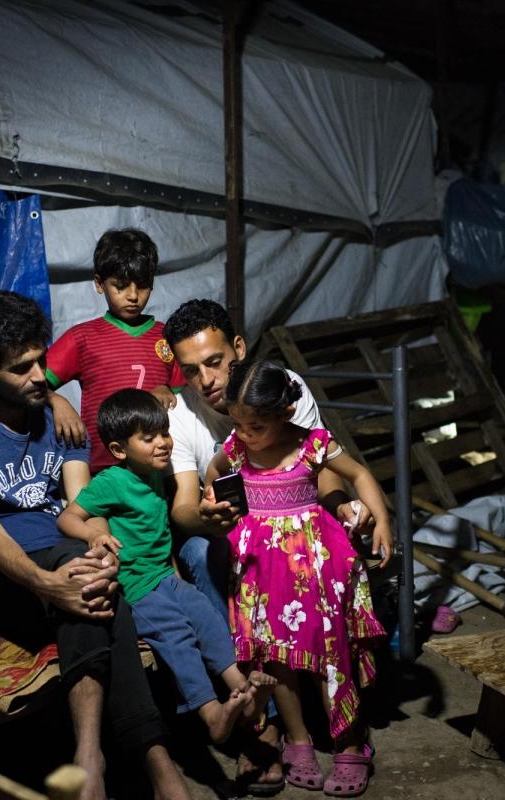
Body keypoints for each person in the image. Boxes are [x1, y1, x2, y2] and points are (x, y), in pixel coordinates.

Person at [0, 291, 189, 800]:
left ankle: (93, 757)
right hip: (0, 576)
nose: (39, 376)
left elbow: (76, 508)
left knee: (91, 574)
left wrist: (99, 540)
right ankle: (147, 760)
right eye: (20, 368)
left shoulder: (58, 421)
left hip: (65, 562)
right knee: (85, 581)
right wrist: (48, 585)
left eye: (41, 360)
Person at [163, 298, 370, 792]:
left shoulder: (282, 389)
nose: (207, 379)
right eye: (191, 371)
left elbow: (317, 471)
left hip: (295, 528)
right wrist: (209, 515)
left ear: (238, 347)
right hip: (234, 535)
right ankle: (266, 721)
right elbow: (185, 507)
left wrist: (343, 505)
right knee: (202, 551)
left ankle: (340, 723)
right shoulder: (180, 415)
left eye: (214, 362)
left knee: (331, 542)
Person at [205, 359, 391, 797]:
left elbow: (360, 474)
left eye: (255, 425)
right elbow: (213, 478)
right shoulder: (236, 448)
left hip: (314, 569)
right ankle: (299, 740)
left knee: (330, 654)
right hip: (258, 571)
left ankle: (350, 742)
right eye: (239, 424)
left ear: (285, 414)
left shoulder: (313, 445)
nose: (245, 434)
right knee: (276, 662)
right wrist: (215, 503)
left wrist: (382, 520)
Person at [57, 389, 276, 743]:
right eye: (149, 438)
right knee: (177, 634)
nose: (163, 443)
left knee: (204, 613)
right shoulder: (111, 482)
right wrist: (93, 536)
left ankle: (241, 687)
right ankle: (211, 713)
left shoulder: (157, 472)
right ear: (118, 451)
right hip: (137, 588)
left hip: (165, 577)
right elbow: (68, 517)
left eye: (164, 433)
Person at [46, 229, 184, 474]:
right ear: (100, 284)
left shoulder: (167, 337)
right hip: (100, 469)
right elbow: (33, 381)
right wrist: (58, 402)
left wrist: (169, 391)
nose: (132, 296)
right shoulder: (82, 338)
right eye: (120, 286)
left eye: (142, 286)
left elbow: (188, 404)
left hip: (160, 472)